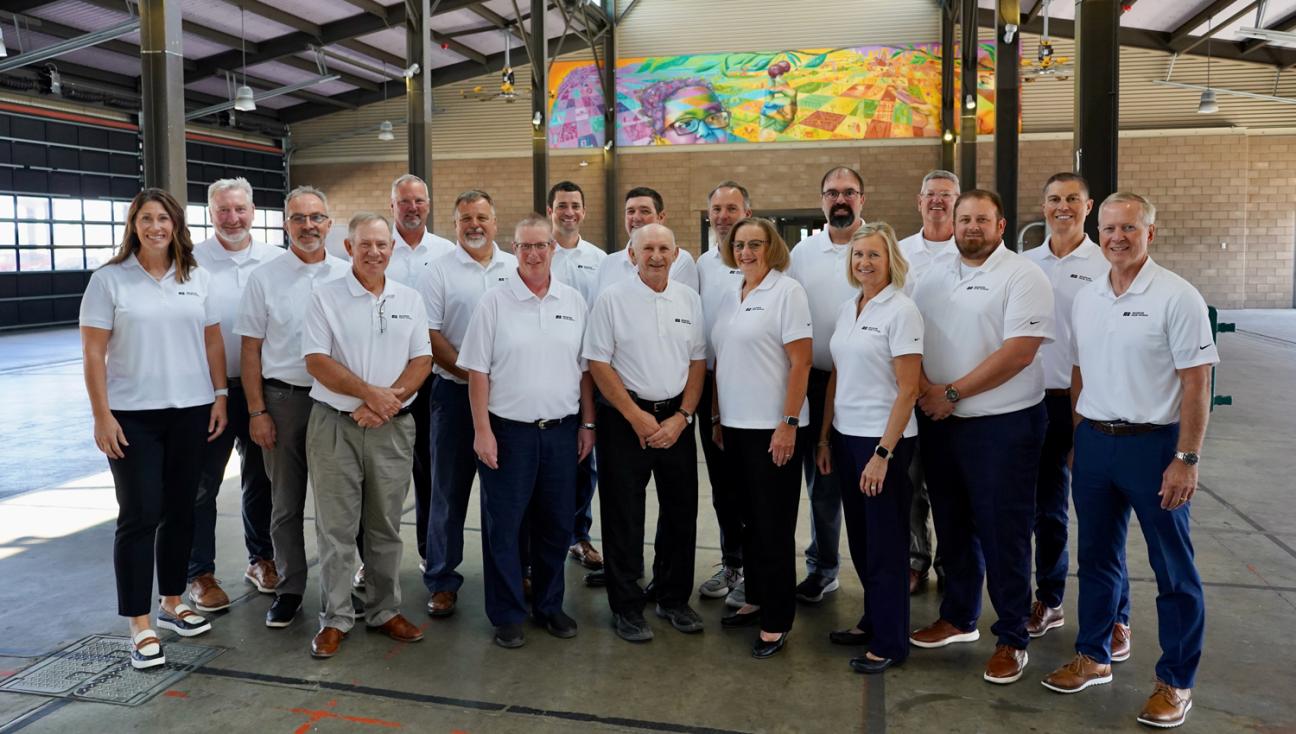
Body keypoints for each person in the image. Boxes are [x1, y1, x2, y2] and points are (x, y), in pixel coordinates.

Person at [1042, 193, 1216, 730]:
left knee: (1172, 568)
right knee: (1095, 558)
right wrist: (1078, 435)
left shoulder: (1176, 297)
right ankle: (1094, 655)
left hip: (1153, 446)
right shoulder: (1089, 296)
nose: (1117, 237)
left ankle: (1176, 681)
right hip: (1095, 442)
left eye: (1129, 228)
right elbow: (1078, 369)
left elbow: (1196, 383)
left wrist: (1185, 459)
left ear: (1150, 233)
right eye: (1109, 228)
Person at [908, 189, 1053, 686]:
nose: (971, 227)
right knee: (951, 525)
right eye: (964, 218)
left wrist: (950, 391)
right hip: (941, 421)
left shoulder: (1022, 276)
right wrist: (929, 392)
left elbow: (1019, 352)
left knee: (1003, 534)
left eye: (981, 220)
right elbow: (914, 337)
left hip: (1002, 425)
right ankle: (958, 617)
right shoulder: (933, 274)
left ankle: (1012, 637)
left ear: (1001, 225)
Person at [80, 188, 226, 669]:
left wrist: (220, 395)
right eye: (146, 218)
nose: (156, 227)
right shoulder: (109, 280)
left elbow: (212, 342)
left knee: (182, 509)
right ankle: (139, 623)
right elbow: (93, 353)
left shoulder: (197, 277)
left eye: (163, 218)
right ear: (133, 225)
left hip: (190, 409)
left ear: (176, 225)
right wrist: (102, 415)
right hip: (132, 417)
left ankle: (171, 601)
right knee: (140, 514)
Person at [457, 214, 595, 649]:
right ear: (513, 249)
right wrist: (482, 431)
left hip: (561, 432)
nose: (533, 253)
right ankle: (507, 612)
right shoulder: (494, 302)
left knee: (556, 524)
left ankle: (550, 605)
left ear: (554, 248)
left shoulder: (573, 301)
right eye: (524, 246)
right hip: (509, 432)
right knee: (505, 527)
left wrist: (588, 424)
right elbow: (477, 372)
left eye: (541, 245)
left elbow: (586, 371)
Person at [302, 212, 432, 659]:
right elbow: (316, 361)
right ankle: (336, 618)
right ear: (349, 248)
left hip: (391, 428)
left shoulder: (410, 299)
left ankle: (383, 610)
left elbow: (422, 361)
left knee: (385, 526)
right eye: (365, 245)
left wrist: (387, 403)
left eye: (382, 244)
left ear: (392, 249)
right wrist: (369, 395)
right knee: (335, 529)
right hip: (335, 426)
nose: (374, 252)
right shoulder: (324, 297)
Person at [1021, 173, 1130, 647]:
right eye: (1053, 200)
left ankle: (1118, 614)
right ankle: (1050, 598)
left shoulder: (1106, 261)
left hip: (1086, 404)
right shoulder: (1024, 265)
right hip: (1032, 401)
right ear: (1043, 207)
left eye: (1072, 199)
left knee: (1100, 514)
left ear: (1088, 208)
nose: (1062, 207)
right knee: (1047, 511)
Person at [584, 223, 706, 642]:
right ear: (632, 255)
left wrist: (683, 416)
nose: (656, 255)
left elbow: (697, 362)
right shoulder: (612, 300)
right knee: (623, 515)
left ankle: (672, 598)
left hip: (676, 419)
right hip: (625, 419)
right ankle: (627, 606)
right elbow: (598, 363)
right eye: (647, 248)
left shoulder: (689, 299)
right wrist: (635, 416)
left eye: (664, 249)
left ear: (676, 255)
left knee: (680, 512)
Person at [236, 185, 349, 628]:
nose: (308, 226)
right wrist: (257, 411)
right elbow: (250, 351)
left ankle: (338, 594)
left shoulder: (347, 274)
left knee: (338, 506)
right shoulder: (265, 277)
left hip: (336, 402)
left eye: (316, 217)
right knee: (284, 504)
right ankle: (290, 588)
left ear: (329, 223)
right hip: (284, 402)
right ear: (286, 225)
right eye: (299, 218)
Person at [816, 222, 923, 675]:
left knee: (885, 544)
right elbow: (837, 374)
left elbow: (909, 389)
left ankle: (892, 641)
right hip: (845, 436)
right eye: (858, 255)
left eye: (873, 255)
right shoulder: (849, 308)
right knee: (860, 540)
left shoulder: (902, 311)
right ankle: (873, 618)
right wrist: (824, 436)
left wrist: (882, 453)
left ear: (891, 260)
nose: (864, 262)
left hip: (883, 442)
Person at [712, 217, 812, 660]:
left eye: (756, 244)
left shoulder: (786, 292)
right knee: (746, 520)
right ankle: (755, 595)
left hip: (773, 430)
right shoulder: (732, 294)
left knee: (773, 526)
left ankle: (777, 618)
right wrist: (717, 416)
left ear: (772, 248)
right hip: (734, 427)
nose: (747, 252)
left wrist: (788, 421)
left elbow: (802, 363)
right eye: (740, 244)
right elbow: (724, 360)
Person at [416, 190, 517, 618]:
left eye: (482, 217)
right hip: (454, 395)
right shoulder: (437, 272)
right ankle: (441, 579)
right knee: (447, 493)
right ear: (454, 225)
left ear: (495, 222)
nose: (474, 225)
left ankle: (513, 572)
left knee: (508, 497)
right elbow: (431, 335)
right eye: (465, 219)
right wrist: (474, 375)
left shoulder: (515, 269)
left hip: (509, 399)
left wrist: (496, 383)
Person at [187, 178, 283, 612]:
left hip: (262, 388)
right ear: (210, 214)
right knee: (202, 485)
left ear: (254, 211)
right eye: (223, 210)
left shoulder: (276, 261)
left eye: (240, 209)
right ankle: (199, 573)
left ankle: (261, 558)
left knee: (260, 479)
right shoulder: (190, 262)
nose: (233, 218)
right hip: (209, 391)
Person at [786, 166, 866, 603]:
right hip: (807, 377)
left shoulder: (876, 245)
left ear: (861, 200)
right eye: (832, 192)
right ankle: (818, 566)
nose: (840, 199)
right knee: (808, 481)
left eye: (848, 192)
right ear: (821, 201)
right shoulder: (803, 253)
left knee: (830, 482)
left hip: (857, 383)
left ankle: (828, 566)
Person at [387, 174, 455, 572]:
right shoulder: (378, 250)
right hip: (383, 379)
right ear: (392, 205)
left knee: (432, 471)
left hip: (435, 377)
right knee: (384, 478)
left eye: (419, 201)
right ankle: (373, 561)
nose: (412, 208)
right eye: (404, 202)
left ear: (429, 205)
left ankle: (432, 555)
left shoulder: (445, 252)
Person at [897, 170, 959, 594]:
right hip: (913, 389)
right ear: (918, 202)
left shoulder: (976, 250)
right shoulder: (900, 255)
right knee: (911, 485)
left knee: (952, 489)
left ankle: (952, 565)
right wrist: (918, 384)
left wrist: (954, 390)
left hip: (963, 393)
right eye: (931, 195)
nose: (938, 201)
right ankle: (915, 558)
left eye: (946, 196)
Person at [547, 180, 608, 574]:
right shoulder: (539, 253)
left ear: (584, 211)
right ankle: (548, 535)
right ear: (550, 210)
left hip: (589, 373)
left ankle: (578, 535)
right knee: (549, 464)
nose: (568, 212)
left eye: (575, 205)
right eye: (561, 206)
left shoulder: (601, 259)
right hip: (545, 373)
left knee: (586, 461)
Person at [695, 181, 750, 605]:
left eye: (732, 207)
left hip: (755, 386)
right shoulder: (702, 265)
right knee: (722, 482)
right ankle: (733, 562)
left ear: (747, 211)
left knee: (757, 484)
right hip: (710, 386)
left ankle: (760, 567)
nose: (724, 215)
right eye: (717, 208)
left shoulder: (769, 264)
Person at [594, 187, 699, 298]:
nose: (636, 217)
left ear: (661, 217)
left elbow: (684, 306)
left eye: (644, 211)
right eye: (630, 211)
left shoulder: (681, 261)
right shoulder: (608, 263)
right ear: (632, 254)